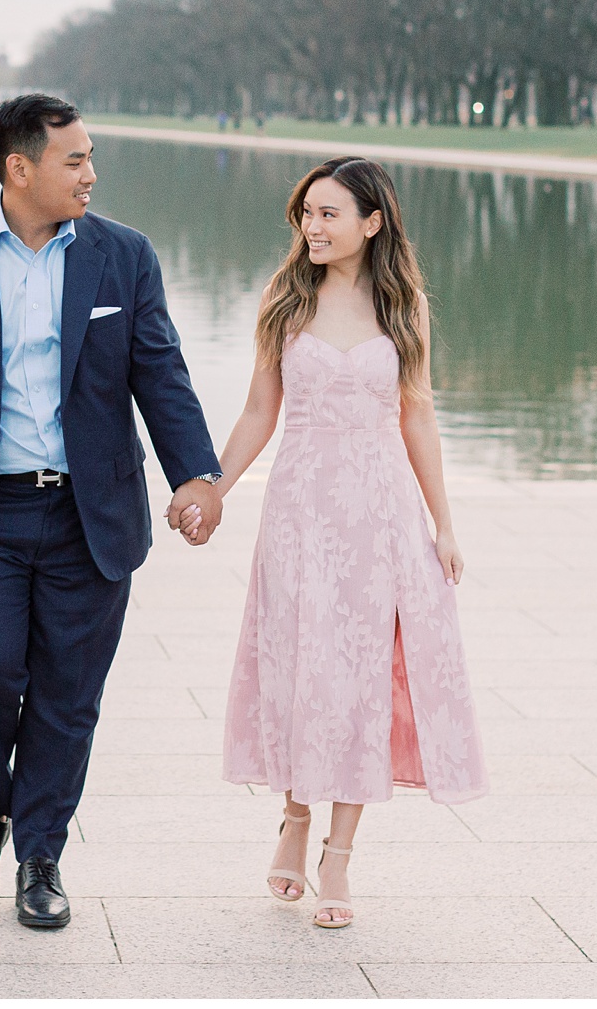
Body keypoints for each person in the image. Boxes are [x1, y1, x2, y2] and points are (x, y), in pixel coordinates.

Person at [0, 93, 222, 930]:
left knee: (70, 693)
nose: (92, 173)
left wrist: (196, 476)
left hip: (89, 513)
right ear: (19, 167)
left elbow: (161, 374)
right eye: (75, 159)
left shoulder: (125, 257)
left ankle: (40, 853)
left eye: (91, 155)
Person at [174, 155, 487, 929]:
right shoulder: (286, 299)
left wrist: (442, 521)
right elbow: (258, 412)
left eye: (329, 213)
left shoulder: (403, 304)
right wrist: (212, 484)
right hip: (300, 512)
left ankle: (340, 853)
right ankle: (294, 816)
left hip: (379, 516)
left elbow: (417, 416)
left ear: (371, 222)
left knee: (361, 680)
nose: (312, 226)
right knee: (297, 663)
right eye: (306, 213)